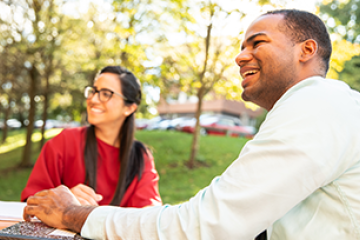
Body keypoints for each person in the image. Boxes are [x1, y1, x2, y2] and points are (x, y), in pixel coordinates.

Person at [23, 9, 360, 240]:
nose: (240, 56)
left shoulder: (317, 103)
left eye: (257, 43)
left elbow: (203, 225)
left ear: (307, 50)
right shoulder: (317, 108)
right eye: (241, 47)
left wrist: (75, 214)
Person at [21, 66, 162, 208]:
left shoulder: (141, 158)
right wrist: (63, 200)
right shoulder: (65, 142)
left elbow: (150, 217)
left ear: (129, 108)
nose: (93, 99)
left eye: (106, 94)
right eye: (94, 91)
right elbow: (31, 202)